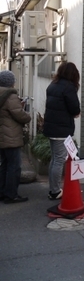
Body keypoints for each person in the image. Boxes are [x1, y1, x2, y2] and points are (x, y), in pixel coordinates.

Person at [43, 62, 81, 200]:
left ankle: (53, 189)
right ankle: (55, 191)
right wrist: (76, 113)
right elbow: (74, 107)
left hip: (51, 126)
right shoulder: (68, 87)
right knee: (59, 160)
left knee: (55, 159)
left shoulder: (53, 85)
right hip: (61, 128)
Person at [0, 70, 31, 204]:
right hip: (10, 136)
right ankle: (11, 194)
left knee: (4, 164)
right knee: (14, 166)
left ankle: (2, 191)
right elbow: (19, 114)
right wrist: (27, 114)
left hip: (2, 136)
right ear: (10, 82)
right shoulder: (10, 96)